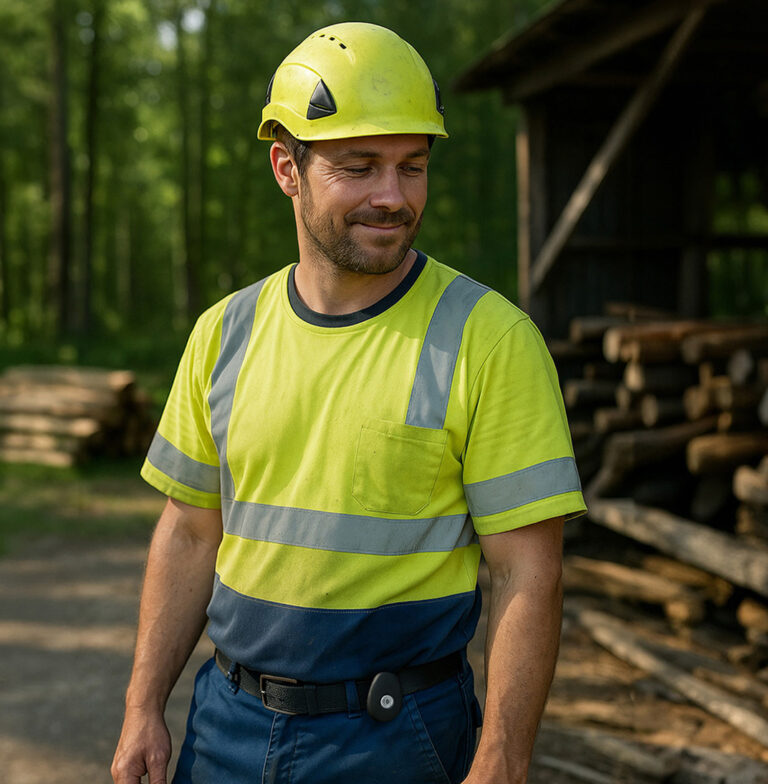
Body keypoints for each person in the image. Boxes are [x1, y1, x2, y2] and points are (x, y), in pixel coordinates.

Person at [111, 21, 586, 784]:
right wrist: (142, 707)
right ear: (286, 169)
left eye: (413, 167)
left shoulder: (490, 340)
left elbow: (527, 573)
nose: (392, 197)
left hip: (400, 740)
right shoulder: (223, 334)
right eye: (359, 167)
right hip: (224, 726)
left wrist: (501, 759)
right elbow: (191, 535)